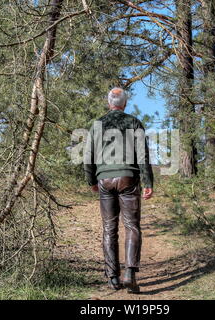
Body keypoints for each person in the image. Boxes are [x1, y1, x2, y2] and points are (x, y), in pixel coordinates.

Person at [83, 87, 154, 294]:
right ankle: (130, 273)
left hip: (104, 179)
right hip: (128, 179)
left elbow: (88, 157)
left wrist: (91, 181)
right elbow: (143, 156)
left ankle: (112, 277)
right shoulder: (134, 123)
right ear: (124, 103)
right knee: (132, 225)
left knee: (109, 228)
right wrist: (148, 182)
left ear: (109, 103)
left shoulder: (96, 125)